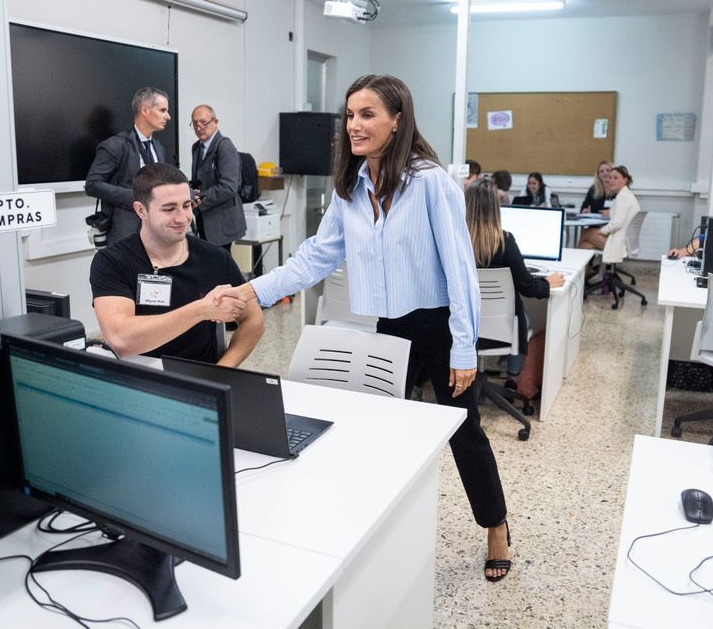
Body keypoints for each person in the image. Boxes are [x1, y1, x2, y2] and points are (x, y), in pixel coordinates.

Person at [220, 74, 514, 581]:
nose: (355, 125)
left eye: (368, 114)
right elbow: (316, 256)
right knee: (385, 431)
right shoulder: (350, 186)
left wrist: (464, 347)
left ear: (398, 121)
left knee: (465, 433)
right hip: (389, 326)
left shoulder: (431, 183)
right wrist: (252, 291)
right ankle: (384, 531)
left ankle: (496, 527)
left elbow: (460, 267)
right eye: (350, 116)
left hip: (440, 325)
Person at [89, 162, 263, 365]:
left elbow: (253, 319)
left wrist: (223, 369)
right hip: (138, 378)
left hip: (200, 380)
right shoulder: (112, 261)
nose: (182, 218)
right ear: (141, 210)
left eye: (187, 205)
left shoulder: (215, 258)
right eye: (169, 209)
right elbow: (121, 339)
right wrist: (201, 310)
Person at [467, 178, 564, 383]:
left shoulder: (456, 240)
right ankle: (512, 380)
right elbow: (526, 286)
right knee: (524, 319)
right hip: (501, 323)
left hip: (465, 321)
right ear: (495, 208)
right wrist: (547, 283)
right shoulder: (505, 241)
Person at [85, 87, 170, 246]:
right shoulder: (114, 145)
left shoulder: (159, 147)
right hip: (124, 234)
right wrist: (137, 198)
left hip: (155, 232)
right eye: (163, 110)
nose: (168, 116)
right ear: (145, 110)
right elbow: (92, 185)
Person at [189, 104, 246, 251]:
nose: (199, 127)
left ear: (215, 122)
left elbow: (229, 187)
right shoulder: (196, 147)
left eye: (203, 122)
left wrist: (199, 198)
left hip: (221, 222)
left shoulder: (224, 146)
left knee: (220, 266)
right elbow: (198, 180)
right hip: (203, 217)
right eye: (195, 123)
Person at [578, 165, 640, 263]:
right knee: (585, 245)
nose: (611, 180)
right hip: (625, 241)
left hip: (619, 243)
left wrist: (601, 231)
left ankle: (581, 274)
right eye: (610, 178)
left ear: (625, 180)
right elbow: (618, 216)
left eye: (615, 178)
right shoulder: (626, 195)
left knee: (586, 233)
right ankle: (585, 274)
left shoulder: (623, 197)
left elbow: (617, 223)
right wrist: (610, 213)